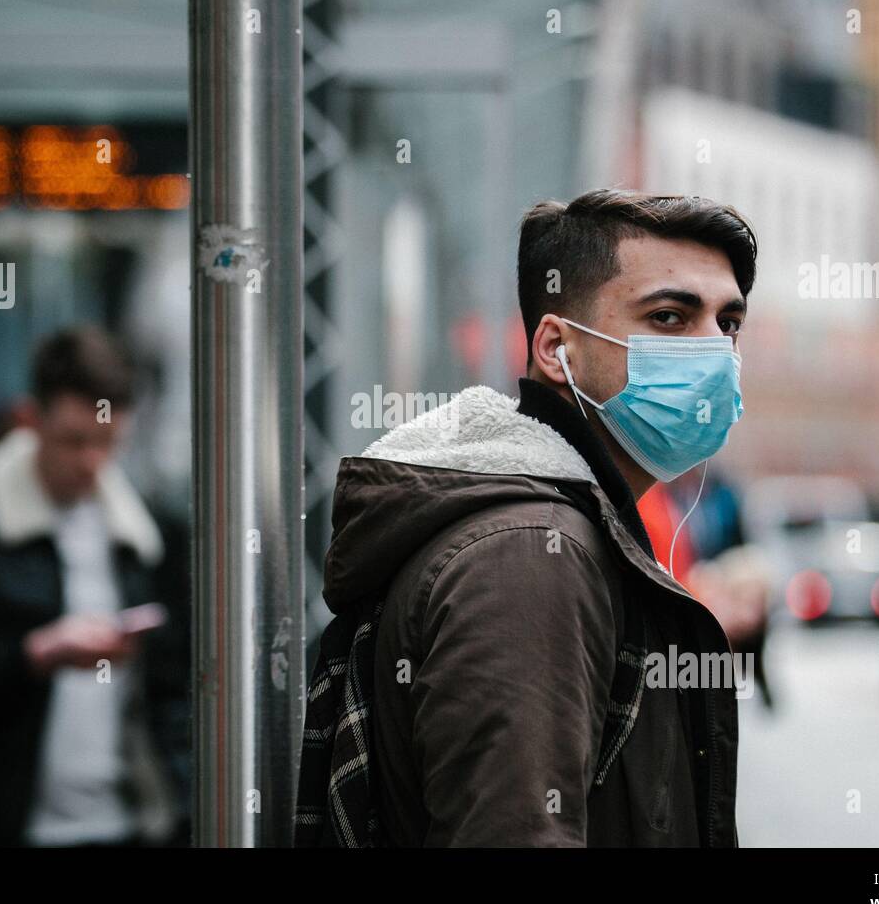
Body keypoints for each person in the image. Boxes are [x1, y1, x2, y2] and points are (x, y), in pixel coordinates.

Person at [316, 189, 753, 846]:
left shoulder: (558, 529)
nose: (714, 352)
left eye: (728, 324)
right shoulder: (528, 556)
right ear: (556, 349)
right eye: (669, 318)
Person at [0, 327, 191, 847]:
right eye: (74, 440)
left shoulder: (147, 536)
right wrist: (33, 654)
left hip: (130, 825)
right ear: (28, 420)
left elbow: (174, 692)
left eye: (107, 443)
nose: (90, 462)